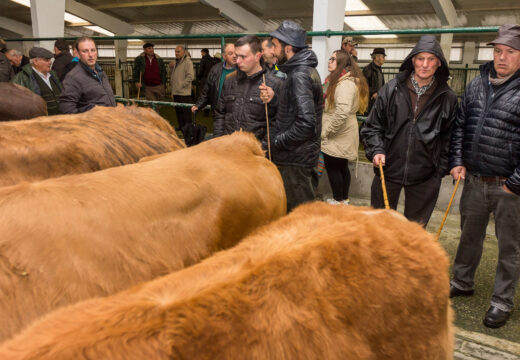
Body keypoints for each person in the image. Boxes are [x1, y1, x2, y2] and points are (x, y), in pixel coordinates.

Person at [448, 24, 520, 329]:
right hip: (475, 180)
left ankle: (502, 301)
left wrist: (515, 183)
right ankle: (462, 281)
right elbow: (461, 124)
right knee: (468, 237)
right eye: (498, 50)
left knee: (510, 247)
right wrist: (457, 160)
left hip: (510, 187)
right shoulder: (477, 84)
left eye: (511, 52)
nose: (502, 58)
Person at [360, 35, 457, 226]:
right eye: (420, 59)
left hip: (425, 176)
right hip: (388, 169)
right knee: (379, 229)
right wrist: (377, 150)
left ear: (439, 64)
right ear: (413, 60)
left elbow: (450, 137)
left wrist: (439, 170)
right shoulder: (391, 89)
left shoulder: (447, 97)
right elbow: (372, 126)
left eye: (431, 60)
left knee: (415, 233)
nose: (425, 64)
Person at [263, 20, 323, 212]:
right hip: (298, 157)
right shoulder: (301, 71)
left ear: (288, 48)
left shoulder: (299, 75)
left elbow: (306, 124)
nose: (272, 51)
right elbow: (296, 110)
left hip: (295, 161)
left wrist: (276, 141)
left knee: (298, 220)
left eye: (275, 46)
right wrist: (275, 99)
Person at [213, 35, 281, 149]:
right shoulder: (229, 80)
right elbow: (220, 112)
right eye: (236, 56)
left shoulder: (274, 84)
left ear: (257, 56)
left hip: (254, 154)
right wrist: (219, 141)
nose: (237, 61)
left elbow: (277, 122)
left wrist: (261, 148)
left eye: (243, 57)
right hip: (228, 149)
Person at [321, 49, 368, 205]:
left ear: (341, 63)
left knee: (334, 166)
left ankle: (338, 199)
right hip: (342, 131)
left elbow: (342, 112)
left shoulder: (345, 84)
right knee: (340, 166)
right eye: (330, 58)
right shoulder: (340, 80)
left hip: (338, 132)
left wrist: (326, 131)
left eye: (333, 59)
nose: (329, 61)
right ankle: (342, 199)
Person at [59, 36, 116, 114]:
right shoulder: (73, 77)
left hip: (111, 121)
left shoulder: (101, 72)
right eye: (85, 51)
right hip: (95, 124)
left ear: (97, 52)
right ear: (78, 54)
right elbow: (66, 109)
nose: (90, 55)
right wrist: (88, 120)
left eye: (93, 50)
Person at [12, 46, 62, 115]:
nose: (50, 62)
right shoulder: (22, 78)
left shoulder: (53, 75)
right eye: (47, 60)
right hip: (40, 122)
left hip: (60, 119)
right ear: (35, 61)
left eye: (50, 60)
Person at [191, 44, 236, 115]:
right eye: (231, 53)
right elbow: (207, 90)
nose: (234, 56)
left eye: (236, 53)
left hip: (237, 115)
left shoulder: (243, 70)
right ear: (224, 56)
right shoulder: (215, 69)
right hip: (218, 113)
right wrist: (198, 105)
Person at [169, 45, 194, 131]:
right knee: (178, 111)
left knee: (186, 112)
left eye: (178, 52)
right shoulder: (175, 62)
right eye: (175, 51)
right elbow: (174, 75)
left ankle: (188, 129)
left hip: (184, 92)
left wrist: (181, 85)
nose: (176, 53)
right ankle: (181, 127)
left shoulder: (188, 62)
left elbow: (191, 76)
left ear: (183, 52)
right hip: (176, 91)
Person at [362, 47, 386, 114]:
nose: (384, 59)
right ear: (377, 57)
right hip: (370, 101)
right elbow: (363, 85)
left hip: (377, 100)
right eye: (383, 57)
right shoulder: (367, 69)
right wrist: (373, 93)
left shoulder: (379, 69)